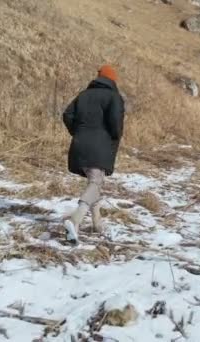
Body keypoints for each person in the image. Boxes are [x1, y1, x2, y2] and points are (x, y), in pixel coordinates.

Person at [62, 65, 125, 244]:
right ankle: (75, 219)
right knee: (96, 181)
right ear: (112, 80)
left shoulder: (83, 95)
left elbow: (67, 115)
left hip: (80, 143)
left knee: (95, 182)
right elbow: (115, 124)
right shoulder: (114, 97)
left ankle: (97, 223)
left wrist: (78, 131)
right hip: (99, 145)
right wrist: (114, 136)